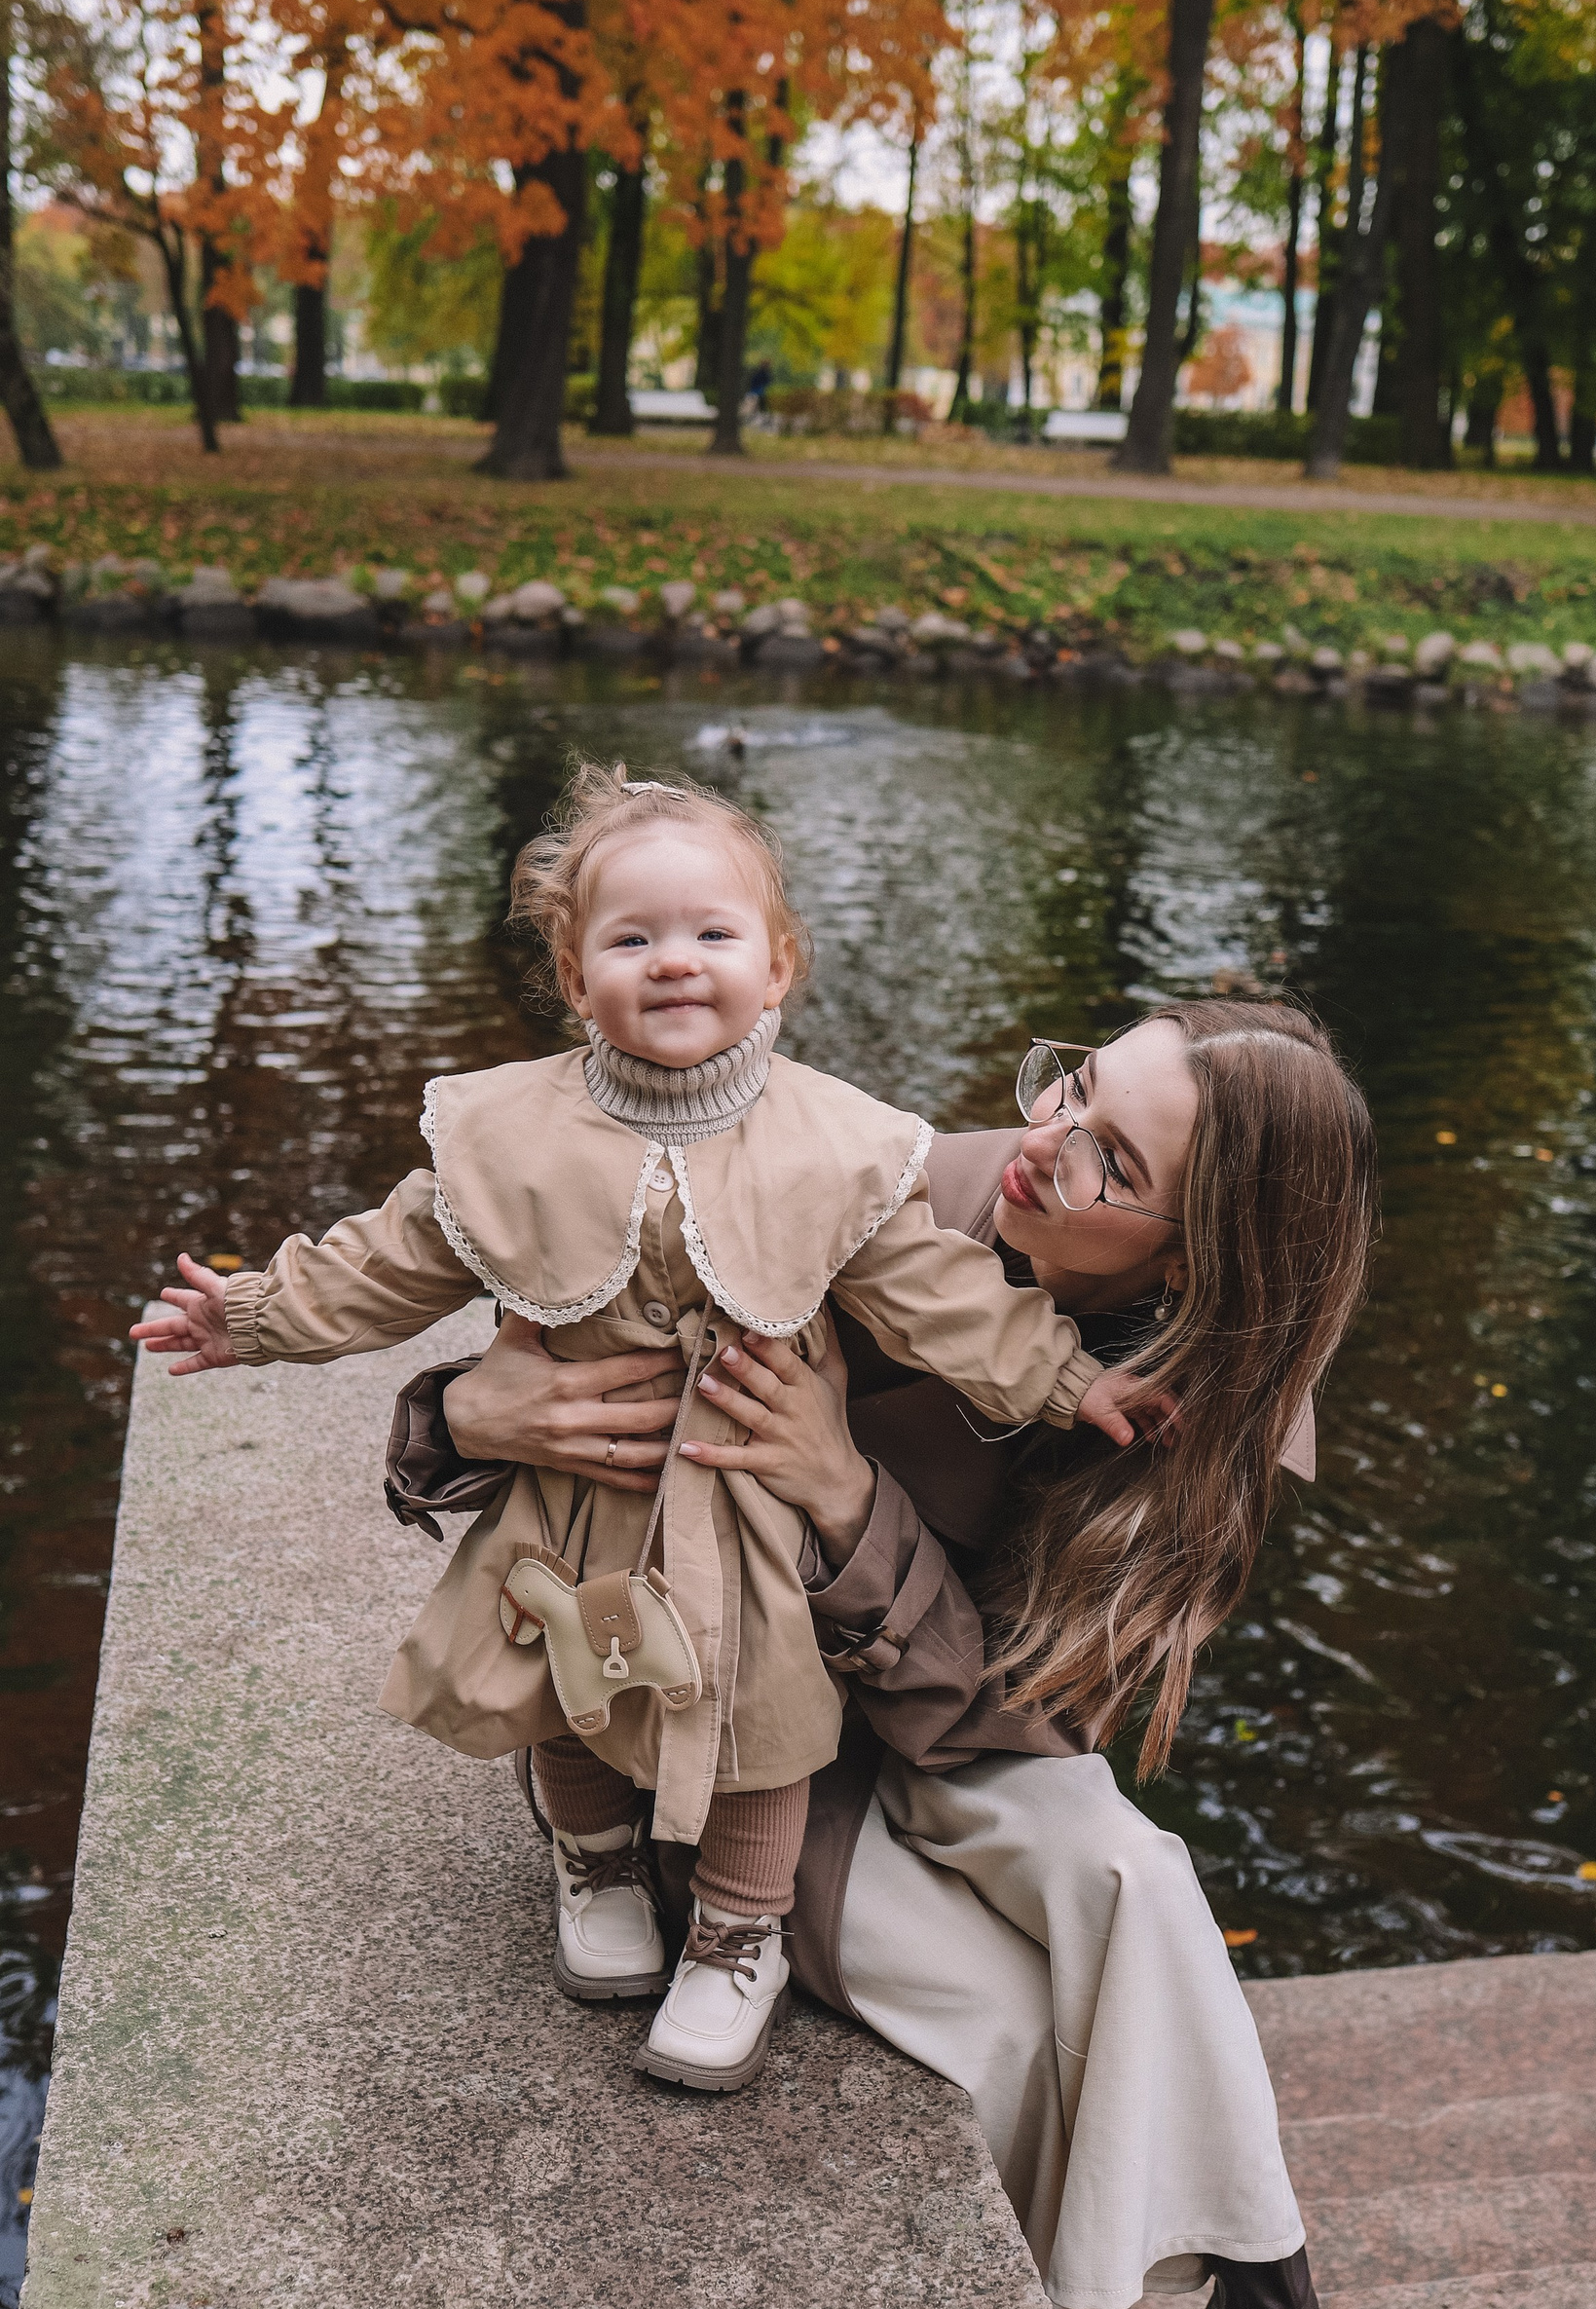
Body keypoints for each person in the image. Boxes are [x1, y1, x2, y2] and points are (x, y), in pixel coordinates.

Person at [404, 998, 1455, 2309]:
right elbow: (534, 1409)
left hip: (956, 1726)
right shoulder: (849, 1184)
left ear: (1197, 1262)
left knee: (1124, 1864)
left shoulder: (1205, 1418)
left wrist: (844, 1497)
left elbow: (1017, 1721)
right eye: (1076, 1083)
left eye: (1113, 1160)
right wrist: (460, 1416)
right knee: (1008, 2020)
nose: (1045, 1141)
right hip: (729, 1755)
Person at [130, 766, 1148, 2097]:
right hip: (577, 1496)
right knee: (567, 1687)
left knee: (765, 1719)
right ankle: (595, 1860)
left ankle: (740, 1932)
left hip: (741, 1502)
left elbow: (942, 1296)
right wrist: (257, 1316)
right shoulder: (512, 1134)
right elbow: (388, 1258)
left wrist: (1071, 1382)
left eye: (714, 932)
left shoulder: (831, 1146)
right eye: (632, 937)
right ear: (575, 973)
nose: (675, 960)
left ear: (777, 966)